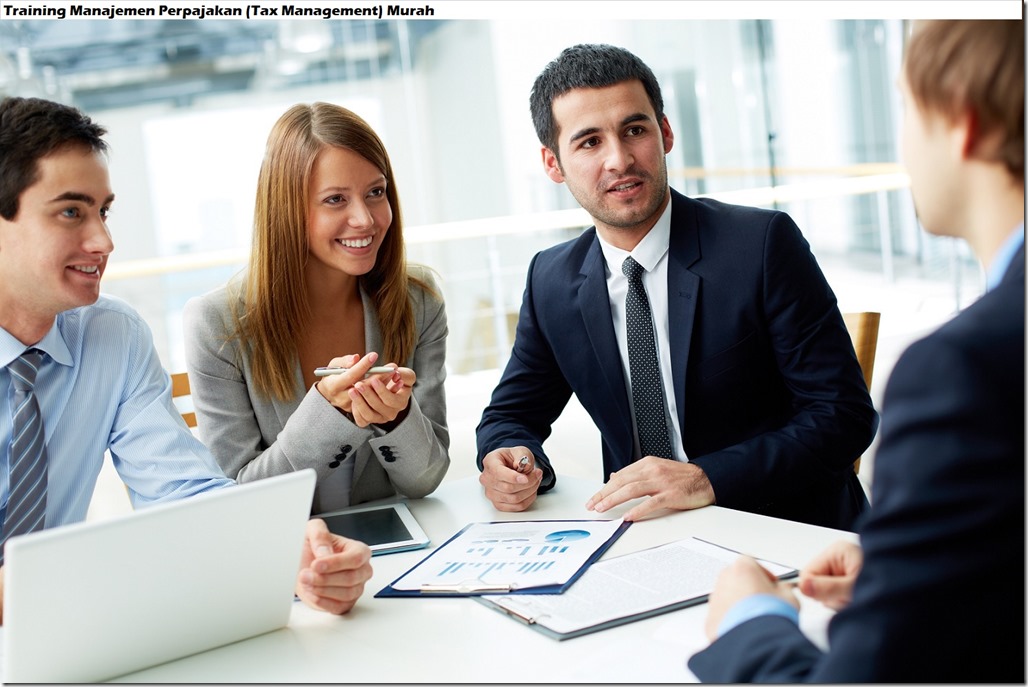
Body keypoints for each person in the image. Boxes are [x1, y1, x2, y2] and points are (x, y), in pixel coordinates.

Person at [689, 19, 1024, 682]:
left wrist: (749, 618)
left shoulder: (963, 370)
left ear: (965, 122)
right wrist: (924, 564)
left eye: (905, 106)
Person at [0, 96, 373, 622]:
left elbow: (181, 490)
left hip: (52, 635)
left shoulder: (112, 336)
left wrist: (285, 547)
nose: (103, 241)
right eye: (70, 212)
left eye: (103, 211)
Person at [476, 44, 877, 530]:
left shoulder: (762, 245)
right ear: (553, 163)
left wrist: (706, 477)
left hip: (786, 530)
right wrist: (508, 456)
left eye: (635, 130)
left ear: (665, 133)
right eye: (589, 142)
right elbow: (510, 414)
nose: (619, 159)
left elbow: (843, 416)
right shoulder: (551, 279)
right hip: (647, 536)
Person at [183, 103, 449, 515]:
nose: (364, 218)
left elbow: (425, 479)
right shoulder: (217, 324)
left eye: (375, 193)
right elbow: (239, 499)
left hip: (394, 551)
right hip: (285, 561)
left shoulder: (418, 299)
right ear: (287, 211)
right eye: (335, 199)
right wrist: (327, 414)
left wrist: (396, 420)